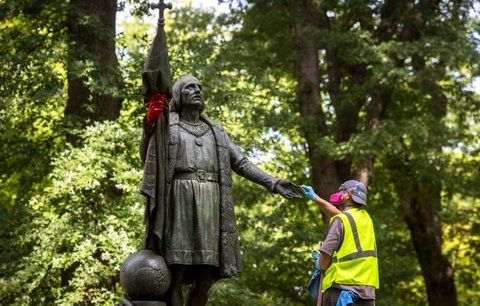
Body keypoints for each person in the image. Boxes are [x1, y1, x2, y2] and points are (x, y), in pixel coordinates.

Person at [140, 74, 302, 306]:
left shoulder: (215, 131)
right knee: (176, 273)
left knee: (206, 276)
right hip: (180, 199)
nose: (197, 90)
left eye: (199, 87)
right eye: (189, 88)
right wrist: (150, 125)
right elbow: (147, 157)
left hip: (211, 204)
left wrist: (272, 182)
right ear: (177, 96)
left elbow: (242, 163)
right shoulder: (169, 125)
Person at [302, 180, 379, 306]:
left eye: (340, 191)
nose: (337, 193)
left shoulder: (340, 220)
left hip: (341, 292)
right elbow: (341, 215)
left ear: (347, 194)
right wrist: (316, 198)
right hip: (367, 295)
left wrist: (320, 263)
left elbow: (325, 258)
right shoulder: (366, 219)